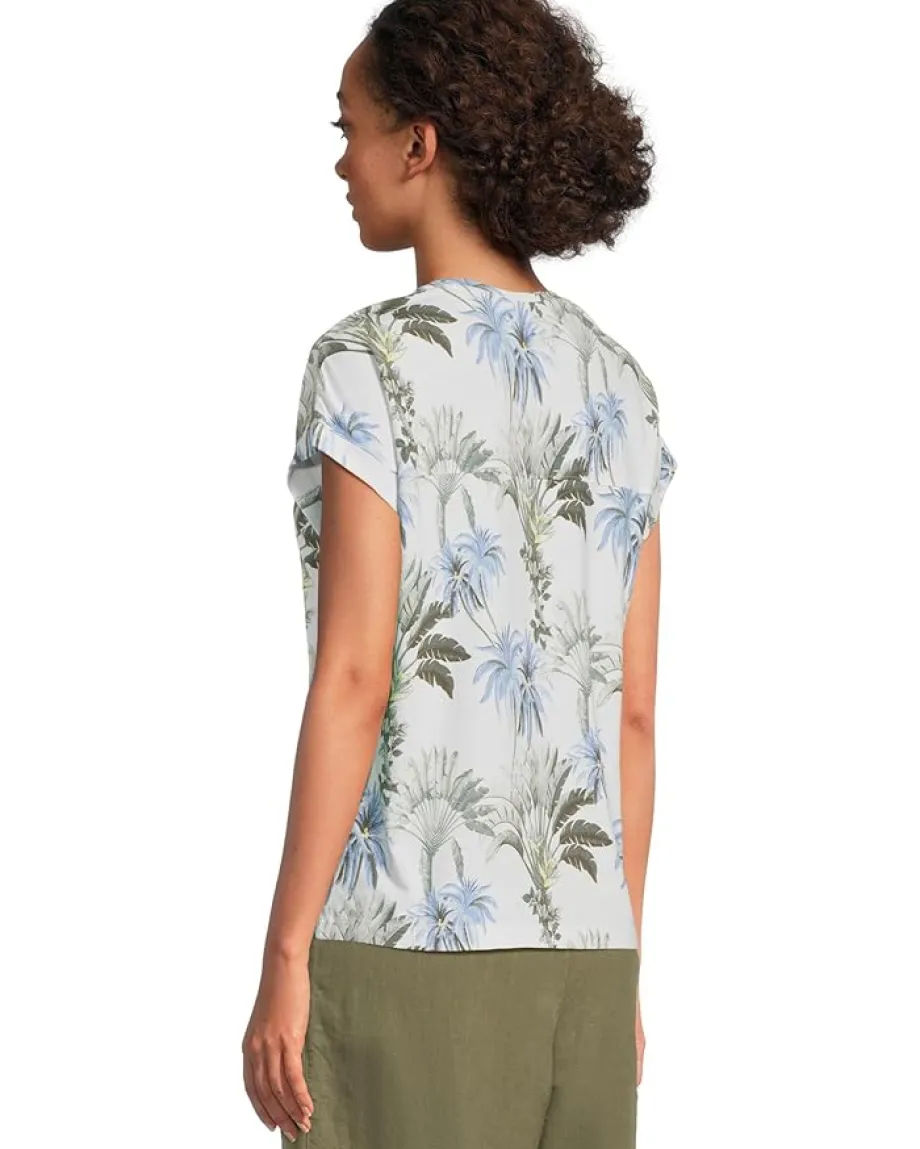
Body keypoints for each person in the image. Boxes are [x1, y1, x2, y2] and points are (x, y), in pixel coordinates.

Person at [242, 1, 678, 1146]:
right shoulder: (620, 386)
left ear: (418, 144)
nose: (341, 161)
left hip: (404, 952)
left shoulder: (367, 363)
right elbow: (632, 714)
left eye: (348, 127)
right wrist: (619, 960)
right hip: (586, 966)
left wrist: (284, 958)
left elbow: (355, 677)